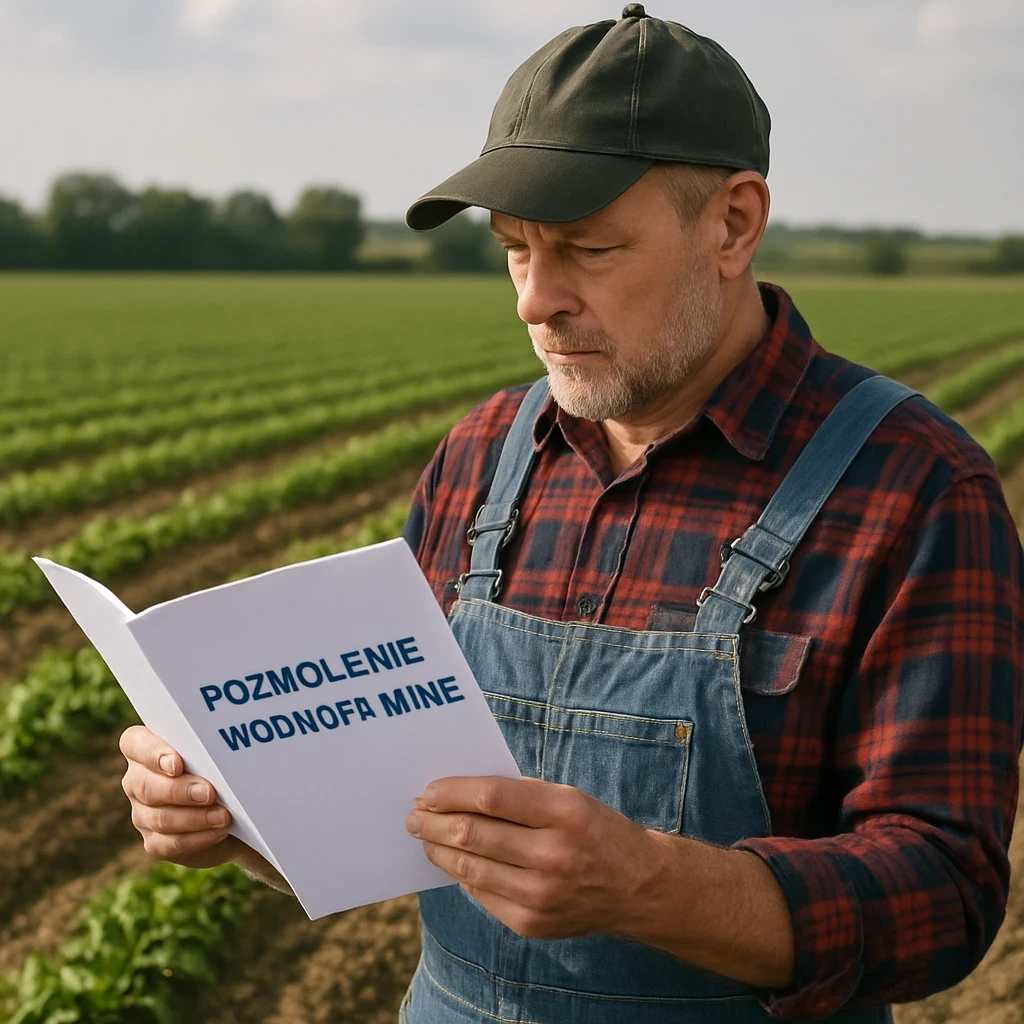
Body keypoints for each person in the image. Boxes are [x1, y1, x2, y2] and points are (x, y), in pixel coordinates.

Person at [118, 6, 1024, 1022]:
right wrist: (241, 814)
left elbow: (945, 891)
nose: (534, 299)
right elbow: (386, 813)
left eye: (586, 248)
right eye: (514, 249)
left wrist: (649, 884)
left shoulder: (912, 487)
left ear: (732, 223)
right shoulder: (478, 458)